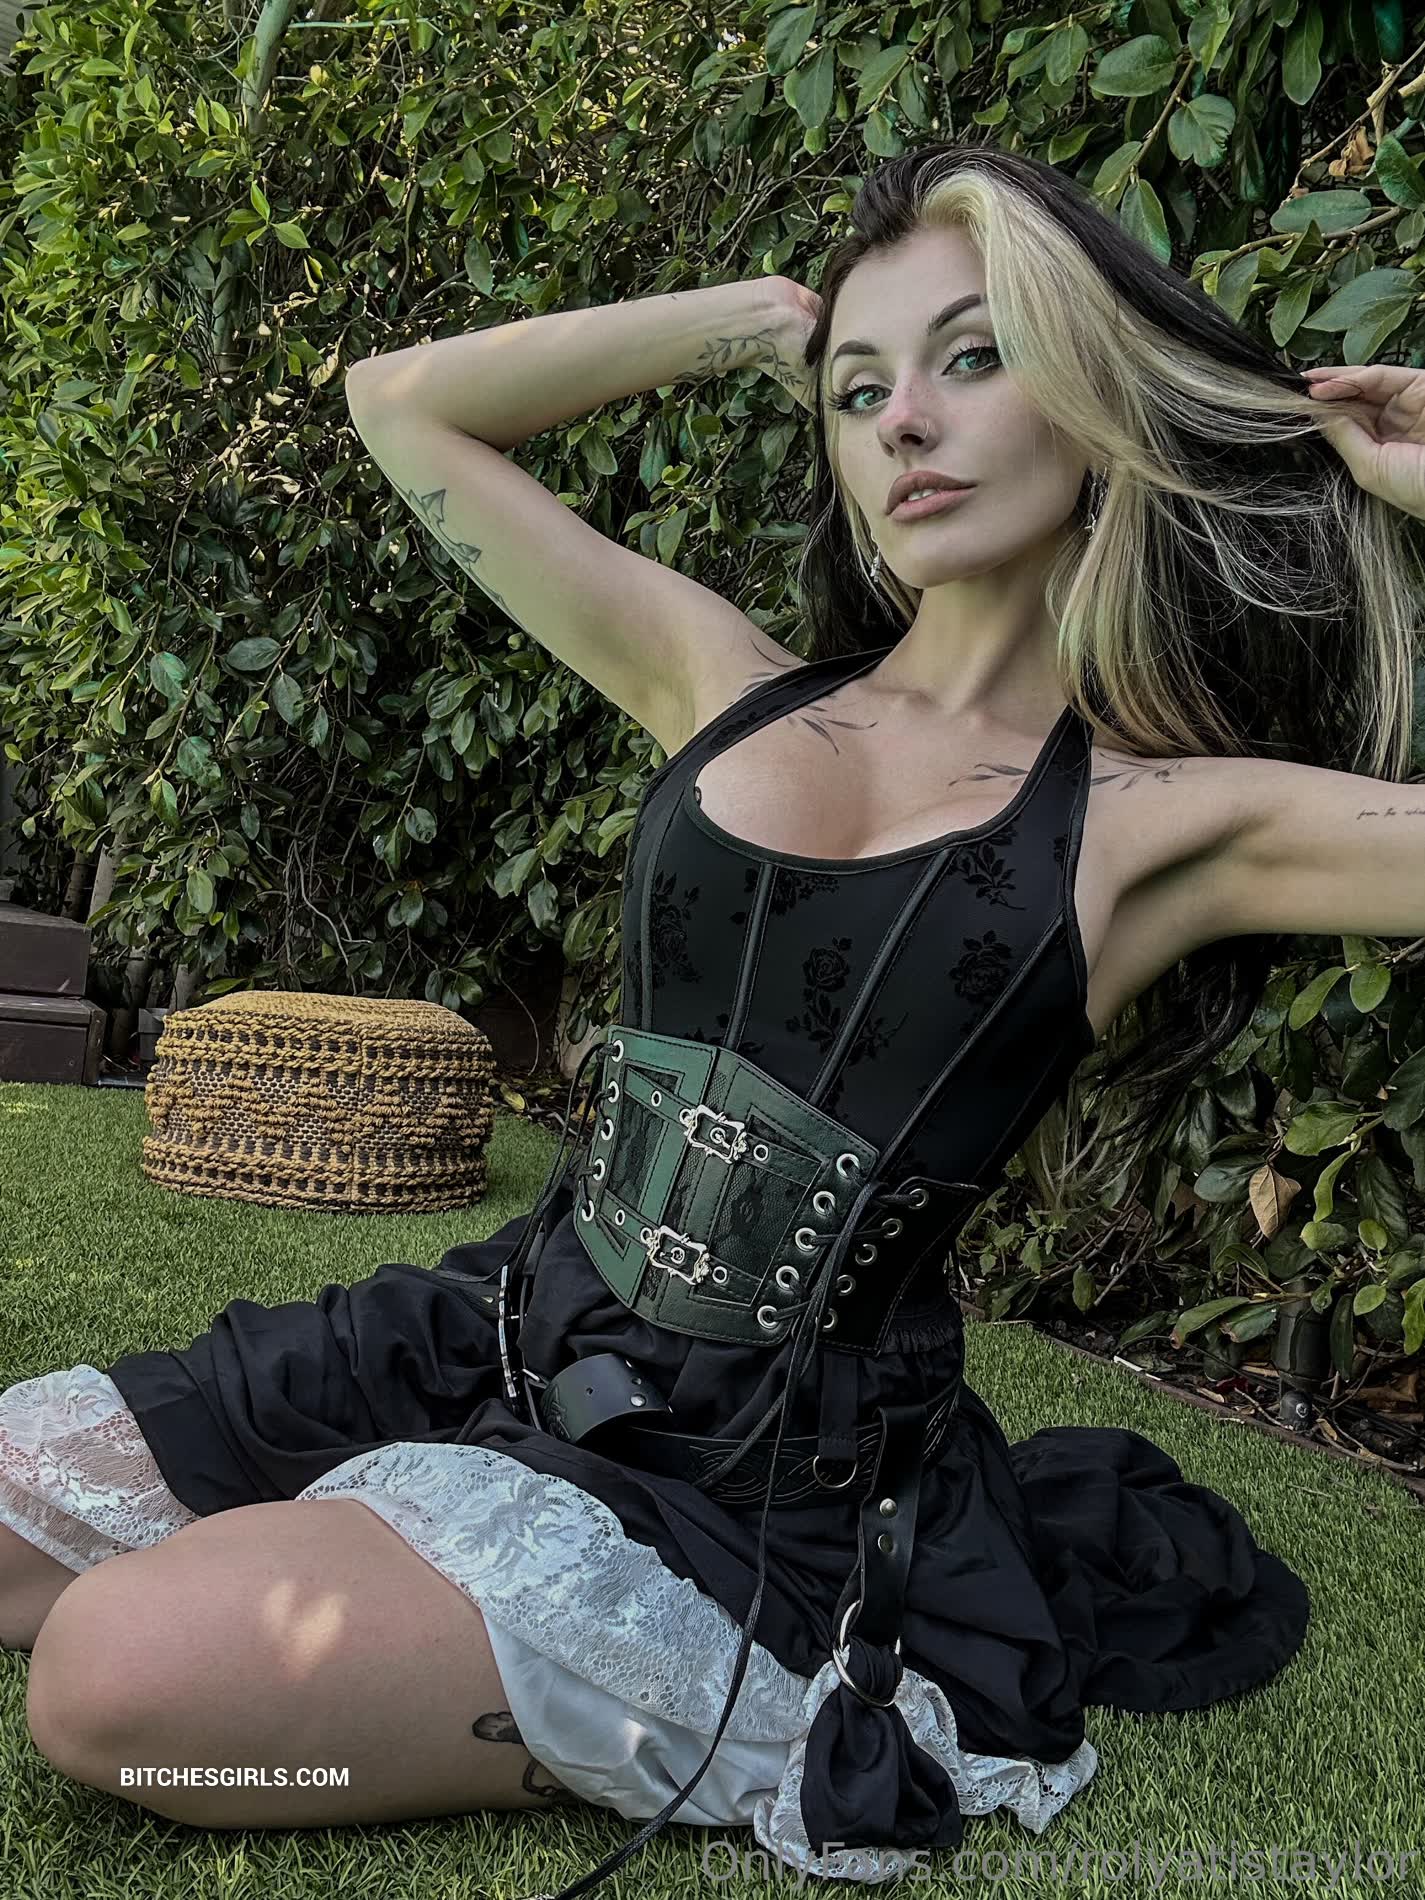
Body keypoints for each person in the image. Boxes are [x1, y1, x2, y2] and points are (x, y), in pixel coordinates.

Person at [3, 141, 1423, 1895]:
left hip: (773, 1483)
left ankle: (577, 1668)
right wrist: (753, 321)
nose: (905, 423)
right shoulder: (722, 684)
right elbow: (401, 406)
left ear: (1096, 394)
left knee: (118, 1691)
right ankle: (402, 1535)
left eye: (973, 356)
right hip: (497, 1326)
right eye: (859, 389)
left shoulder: (1164, 827)